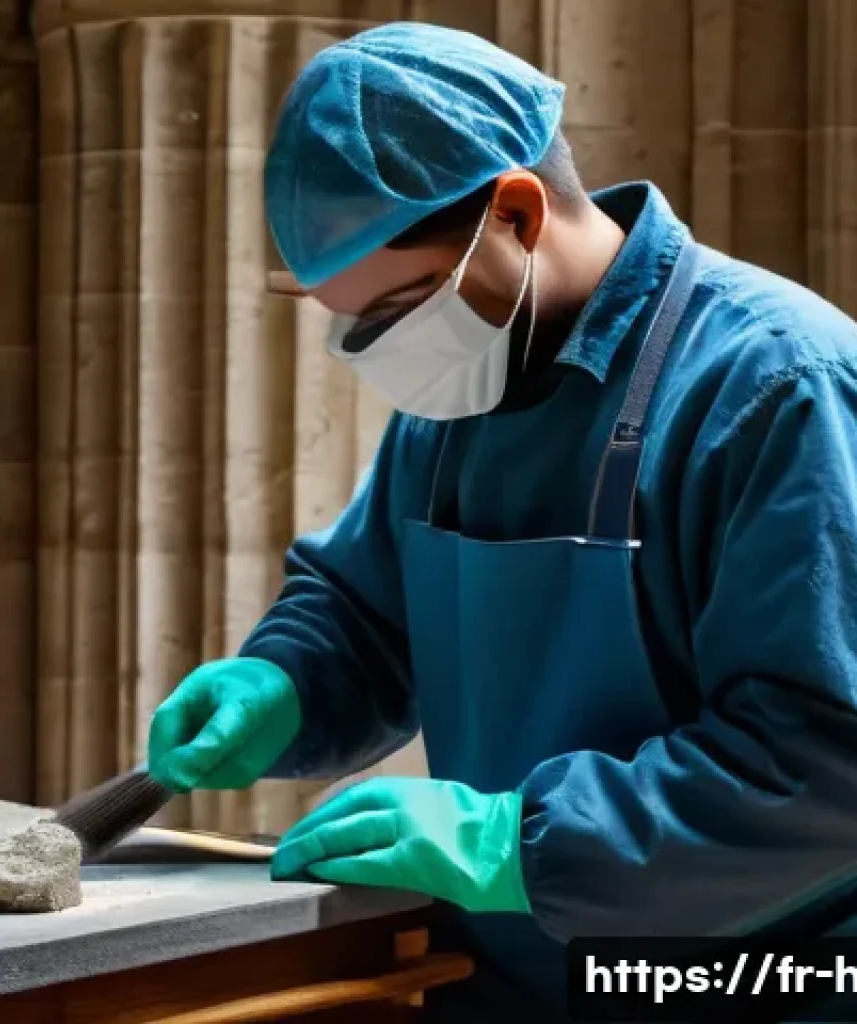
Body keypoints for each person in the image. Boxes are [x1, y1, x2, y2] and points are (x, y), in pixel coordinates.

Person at [146, 20, 857, 1021]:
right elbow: (364, 614)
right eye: (351, 320)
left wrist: (514, 843)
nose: (378, 348)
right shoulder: (461, 391)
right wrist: (287, 683)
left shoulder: (776, 385)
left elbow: (825, 768)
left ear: (517, 213)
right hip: (505, 986)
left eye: (399, 306)